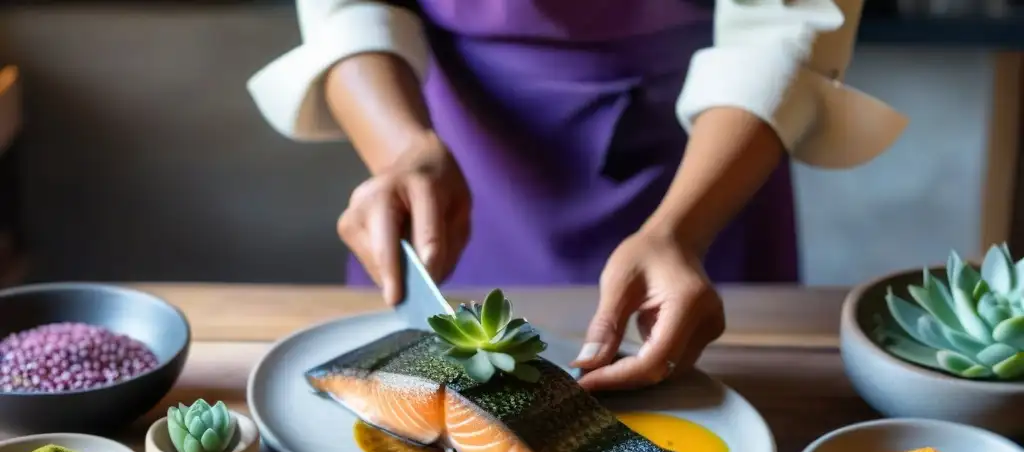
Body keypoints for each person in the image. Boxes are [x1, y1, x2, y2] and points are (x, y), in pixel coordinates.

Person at [248, 0, 907, 391]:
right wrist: (401, 150)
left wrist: (680, 229)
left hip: (703, 153)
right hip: (458, 155)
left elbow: (781, 24)